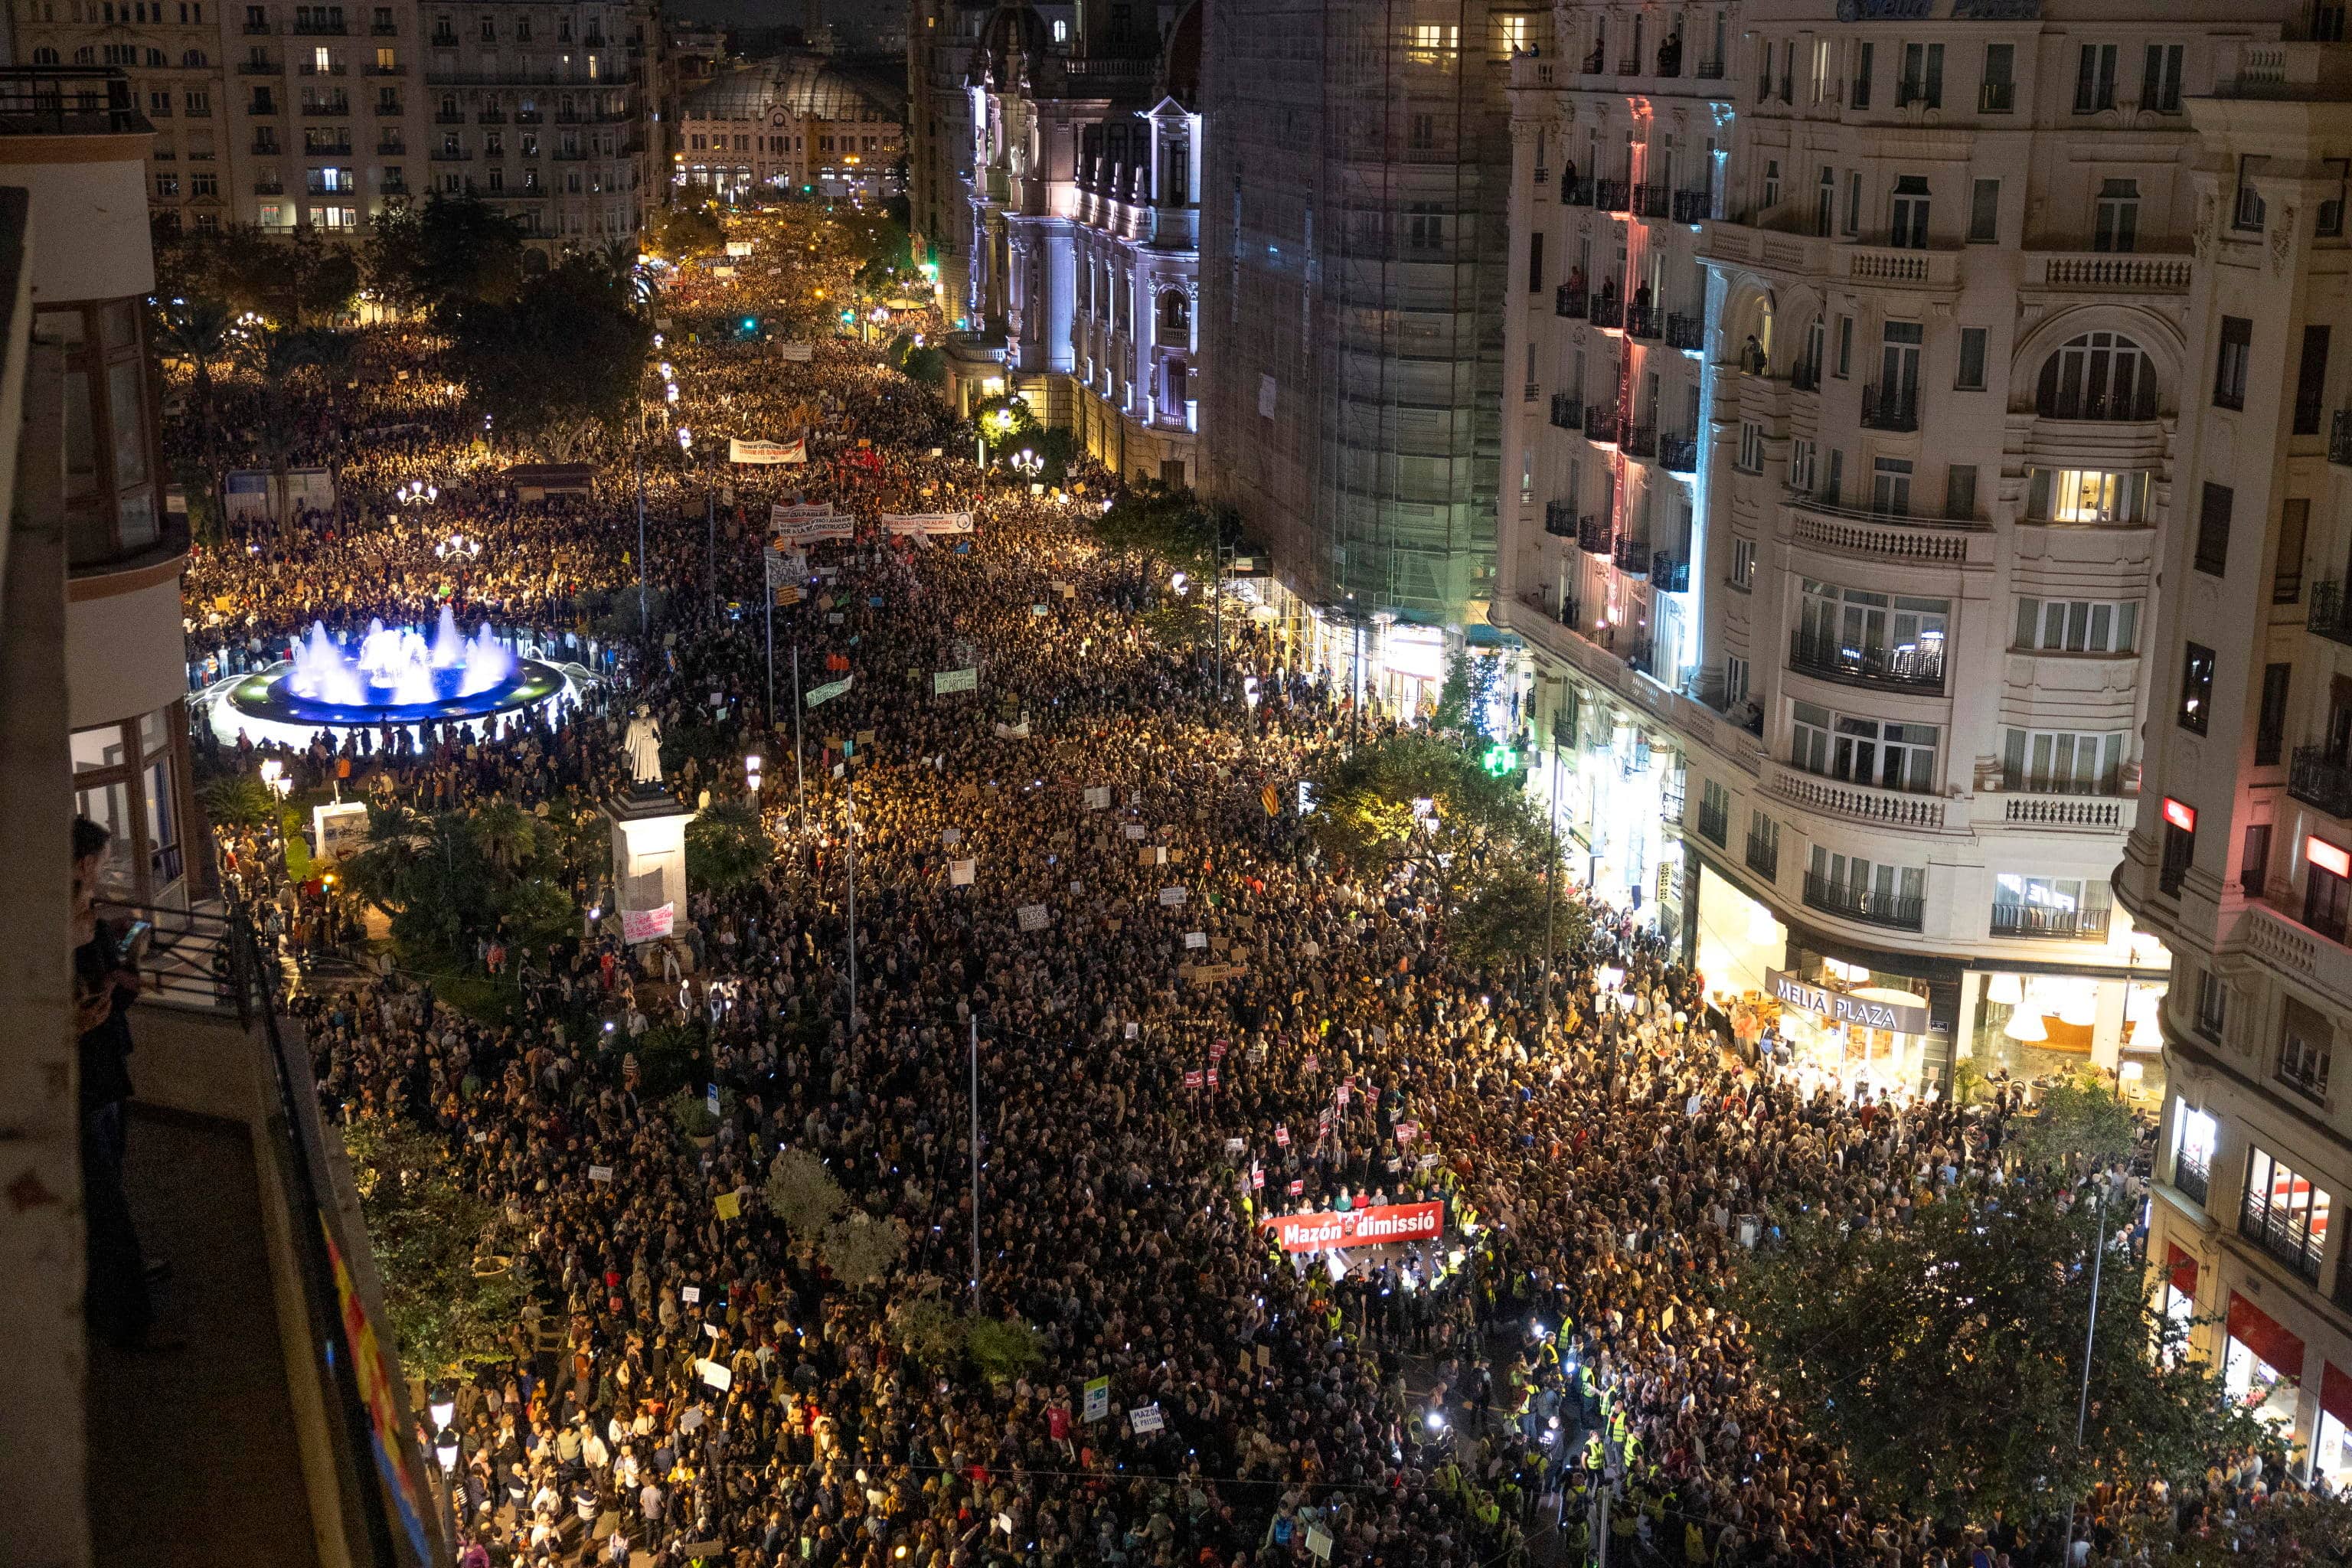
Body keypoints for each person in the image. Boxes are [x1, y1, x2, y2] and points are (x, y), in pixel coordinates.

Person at [73, 815, 176, 1351]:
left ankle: (117, 1283)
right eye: (105, 858)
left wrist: (119, 976)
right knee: (101, 1194)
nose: (110, 867)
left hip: (108, 1061)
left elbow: (121, 982)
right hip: (83, 1076)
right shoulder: (53, 931)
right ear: (83, 863)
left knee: (111, 1171)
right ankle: (119, 1312)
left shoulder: (91, 920)